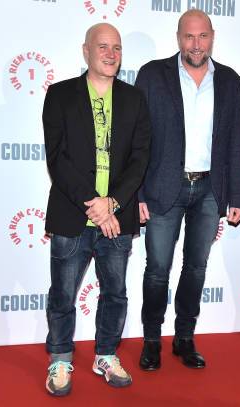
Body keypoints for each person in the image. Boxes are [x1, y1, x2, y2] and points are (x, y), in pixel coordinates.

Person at [42, 23, 151, 396]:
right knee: (63, 293)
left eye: (117, 48)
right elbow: (57, 159)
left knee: (116, 293)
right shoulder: (59, 95)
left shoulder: (135, 98)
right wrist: (94, 204)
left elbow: (140, 158)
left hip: (117, 216)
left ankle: (106, 353)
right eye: (103, 46)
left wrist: (113, 204)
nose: (111, 54)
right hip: (73, 214)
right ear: (85, 50)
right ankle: (59, 358)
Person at [134, 9, 240, 370]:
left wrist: (238, 197)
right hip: (162, 188)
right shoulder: (152, 75)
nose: (195, 45)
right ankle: (151, 339)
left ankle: (185, 337)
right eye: (188, 36)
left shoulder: (230, 81)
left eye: (202, 37)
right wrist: (136, 194)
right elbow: (136, 140)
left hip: (211, 189)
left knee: (196, 268)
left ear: (212, 36)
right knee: (157, 269)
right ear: (178, 36)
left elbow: (235, 143)